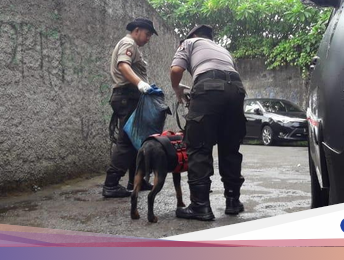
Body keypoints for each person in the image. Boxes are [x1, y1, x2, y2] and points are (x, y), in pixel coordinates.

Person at [170, 25, 246, 221]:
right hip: (236, 89)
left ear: (194, 35)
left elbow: (176, 69)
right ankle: (233, 202)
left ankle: (200, 206)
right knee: (230, 148)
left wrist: (177, 89)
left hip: (208, 88)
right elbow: (228, 75)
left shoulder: (189, 42)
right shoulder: (223, 50)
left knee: (198, 147)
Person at [102, 18, 158, 198]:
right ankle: (111, 184)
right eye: (147, 33)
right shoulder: (129, 42)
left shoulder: (133, 46)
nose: (148, 38)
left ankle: (137, 181)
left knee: (137, 141)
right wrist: (140, 84)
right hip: (127, 95)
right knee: (126, 141)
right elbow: (123, 65)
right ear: (136, 30)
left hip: (131, 97)